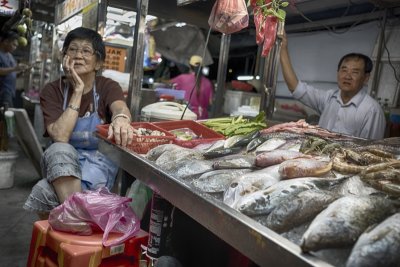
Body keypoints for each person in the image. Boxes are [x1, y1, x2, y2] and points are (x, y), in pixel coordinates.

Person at [23, 27, 135, 218]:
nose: (78, 56)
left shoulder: (106, 86)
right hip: (61, 167)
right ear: (64, 55)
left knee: (43, 190)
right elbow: (60, 136)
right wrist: (77, 90)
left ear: (98, 62)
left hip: (98, 168)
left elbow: (119, 107)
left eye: (85, 51)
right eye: (72, 49)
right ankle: (78, 219)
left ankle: (70, 226)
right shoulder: (52, 91)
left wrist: (122, 118)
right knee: (59, 149)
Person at [279, 32, 385, 140]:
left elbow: (371, 150)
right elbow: (295, 88)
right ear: (337, 73)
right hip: (319, 156)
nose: (347, 76)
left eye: (355, 72)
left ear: (366, 78)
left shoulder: (372, 111)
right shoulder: (329, 98)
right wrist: (283, 48)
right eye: (344, 70)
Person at [170, 55, 214, 119]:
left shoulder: (182, 78)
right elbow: (210, 102)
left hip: (186, 114)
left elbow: (168, 85)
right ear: (202, 67)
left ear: (190, 66)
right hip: (202, 117)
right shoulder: (208, 82)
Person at [0, 30, 30, 107]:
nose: (15, 48)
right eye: (14, 45)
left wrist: (21, 72)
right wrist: (15, 68)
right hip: (3, 92)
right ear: (6, 42)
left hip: (10, 91)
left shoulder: (10, 56)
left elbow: (12, 74)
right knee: (7, 116)